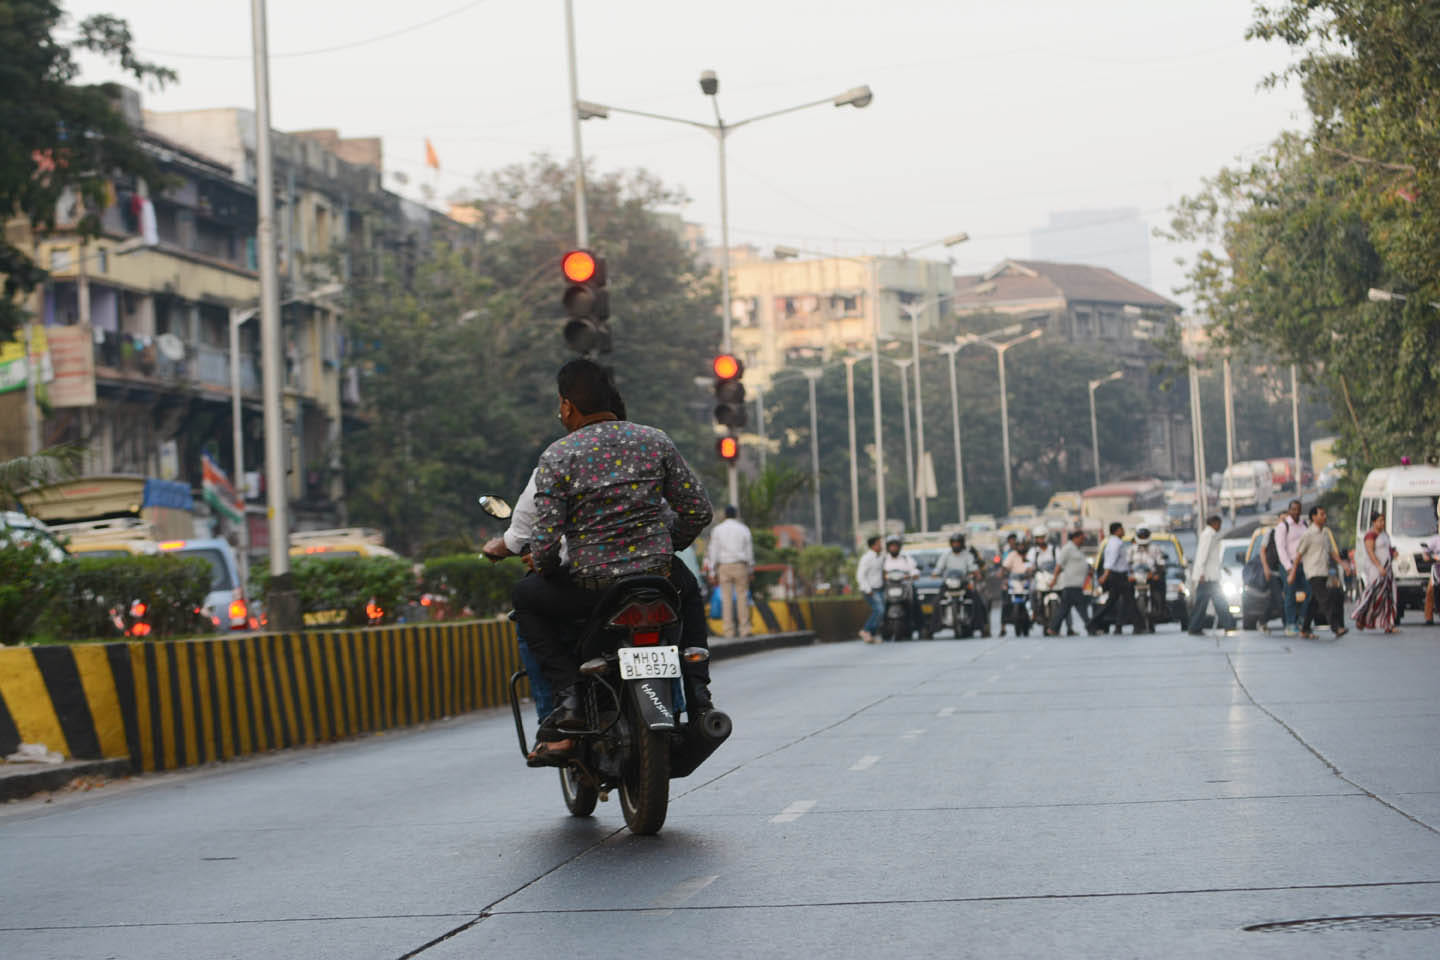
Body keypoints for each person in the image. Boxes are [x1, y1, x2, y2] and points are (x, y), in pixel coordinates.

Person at [511, 359, 713, 763]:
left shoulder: (558, 456)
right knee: (687, 587)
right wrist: (664, 543)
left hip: (591, 587)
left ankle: (567, 698)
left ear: (567, 406)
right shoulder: (655, 441)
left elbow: (546, 543)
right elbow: (697, 510)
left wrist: (545, 567)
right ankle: (699, 692)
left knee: (526, 597)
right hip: (656, 576)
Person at [1296, 505, 1352, 639]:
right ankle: (1335, 627)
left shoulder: (1325, 533)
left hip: (1323, 571)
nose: (1324, 516)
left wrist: (1343, 565)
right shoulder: (1308, 534)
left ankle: (1305, 629)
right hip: (1313, 572)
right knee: (1326, 600)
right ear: (1314, 517)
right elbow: (1299, 554)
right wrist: (1292, 573)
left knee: (1314, 602)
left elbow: (1332, 552)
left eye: (1324, 514)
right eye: (1321, 514)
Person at [706, 505, 755, 639]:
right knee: (742, 597)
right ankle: (745, 629)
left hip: (724, 566)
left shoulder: (718, 530)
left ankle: (729, 631)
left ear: (725, 515)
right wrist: (750, 569)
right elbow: (749, 550)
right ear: (736, 515)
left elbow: (713, 550)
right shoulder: (743, 529)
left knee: (726, 599)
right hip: (740, 565)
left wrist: (712, 571)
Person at [1188, 514, 1236, 635]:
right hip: (1207, 577)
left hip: (1210, 575)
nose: (1220, 526)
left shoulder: (1210, 534)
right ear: (1214, 523)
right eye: (1219, 524)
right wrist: (1202, 573)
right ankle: (1227, 624)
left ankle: (1228, 624)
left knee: (1212, 602)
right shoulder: (1208, 535)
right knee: (1212, 602)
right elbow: (1202, 555)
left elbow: (1213, 558)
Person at [1351, 512, 1397, 633]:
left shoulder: (1384, 535)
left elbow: (1388, 550)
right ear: (1374, 522)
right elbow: (1370, 552)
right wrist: (1379, 566)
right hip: (1375, 570)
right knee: (1373, 595)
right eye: (1380, 521)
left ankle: (1388, 624)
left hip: (1387, 569)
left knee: (1388, 596)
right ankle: (1361, 617)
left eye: (1383, 520)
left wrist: (1393, 554)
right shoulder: (1371, 535)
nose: (1382, 523)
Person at [932, 531, 986, 635]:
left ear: (962, 543)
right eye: (954, 543)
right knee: (936, 601)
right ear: (951, 544)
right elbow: (938, 569)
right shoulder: (946, 555)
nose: (956, 545)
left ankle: (980, 626)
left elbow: (973, 568)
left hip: (964, 584)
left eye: (958, 543)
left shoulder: (968, 555)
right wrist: (935, 574)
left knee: (977, 599)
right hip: (948, 584)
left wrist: (976, 573)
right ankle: (933, 627)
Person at [1089, 522, 1137, 634]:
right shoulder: (1116, 543)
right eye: (1122, 529)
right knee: (1128, 601)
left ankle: (1119, 626)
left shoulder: (1113, 542)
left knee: (1118, 601)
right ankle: (1137, 625)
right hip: (1117, 576)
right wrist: (1105, 575)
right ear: (1117, 530)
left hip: (1118, 575)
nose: (1124, 531)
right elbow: (1111, 560)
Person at [1047, 528, 1092, 636]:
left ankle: (1053, 628)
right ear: (1075, 538)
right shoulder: (1067, 548)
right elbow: (1059, 565)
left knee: (1064, 609)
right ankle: (1091, 628)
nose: (1083, 541)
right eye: (1081, 538)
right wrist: (1054, 579)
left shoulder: (1077, 549)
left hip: (1077, 585)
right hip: (1071, 584)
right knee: (1081, 608)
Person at [1274, 499, 1307, 637]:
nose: (1296, 512)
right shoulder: (1283, 527)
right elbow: (1280, 548)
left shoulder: (1304, 524)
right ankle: (1291, 623)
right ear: (1289, 511)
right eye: (1293, 509)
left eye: (1298, 509)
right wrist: (1288, 567)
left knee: (1309, 593)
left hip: (1304, 564)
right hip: (1289, 564)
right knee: (1290, 594)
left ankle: (1303, 620)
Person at [881, 535, 921, 639]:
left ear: (899, 547)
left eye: (895, 546)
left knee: (914, 603)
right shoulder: (884, 560)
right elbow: (879, 572)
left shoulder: (906, 558)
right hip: (889, 587)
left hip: (904, 586)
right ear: (888, 547)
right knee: (880, 606)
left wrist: (912, 574)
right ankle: (881, 629)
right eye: (891, 546)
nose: (893, 548)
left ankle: (921, 627)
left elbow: (914, 569)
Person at [1127, 528, 1165, 632]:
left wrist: (1156, 574)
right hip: (1135, 578)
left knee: (1158, 594)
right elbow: (1126, 564)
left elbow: (1161, 564)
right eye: (1141, 536)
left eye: (1145, 536)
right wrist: (1129, 575)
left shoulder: (1155, 548)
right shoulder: (1131, 549)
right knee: (1126, 597)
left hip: (1151, 578)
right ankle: (1134, 623)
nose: (1143, 538)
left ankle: (1157, 615)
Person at [856, 535, 885, 643]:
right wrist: (868, 589)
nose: (881, 546)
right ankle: (866, 630)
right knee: (879, 610)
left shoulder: (880, 557)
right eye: (879, 544)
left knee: (881, 612)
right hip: (870, 589)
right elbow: (860, 575)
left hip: (879, 588)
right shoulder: (867, 558)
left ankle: (870, 634)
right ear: (873, 546)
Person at [1422, 513, 1440, 626]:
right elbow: (1425, 552)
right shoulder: (1435, 539)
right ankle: (1429, 617)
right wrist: (1429, 557)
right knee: (1430, 591)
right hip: (1437, 569)